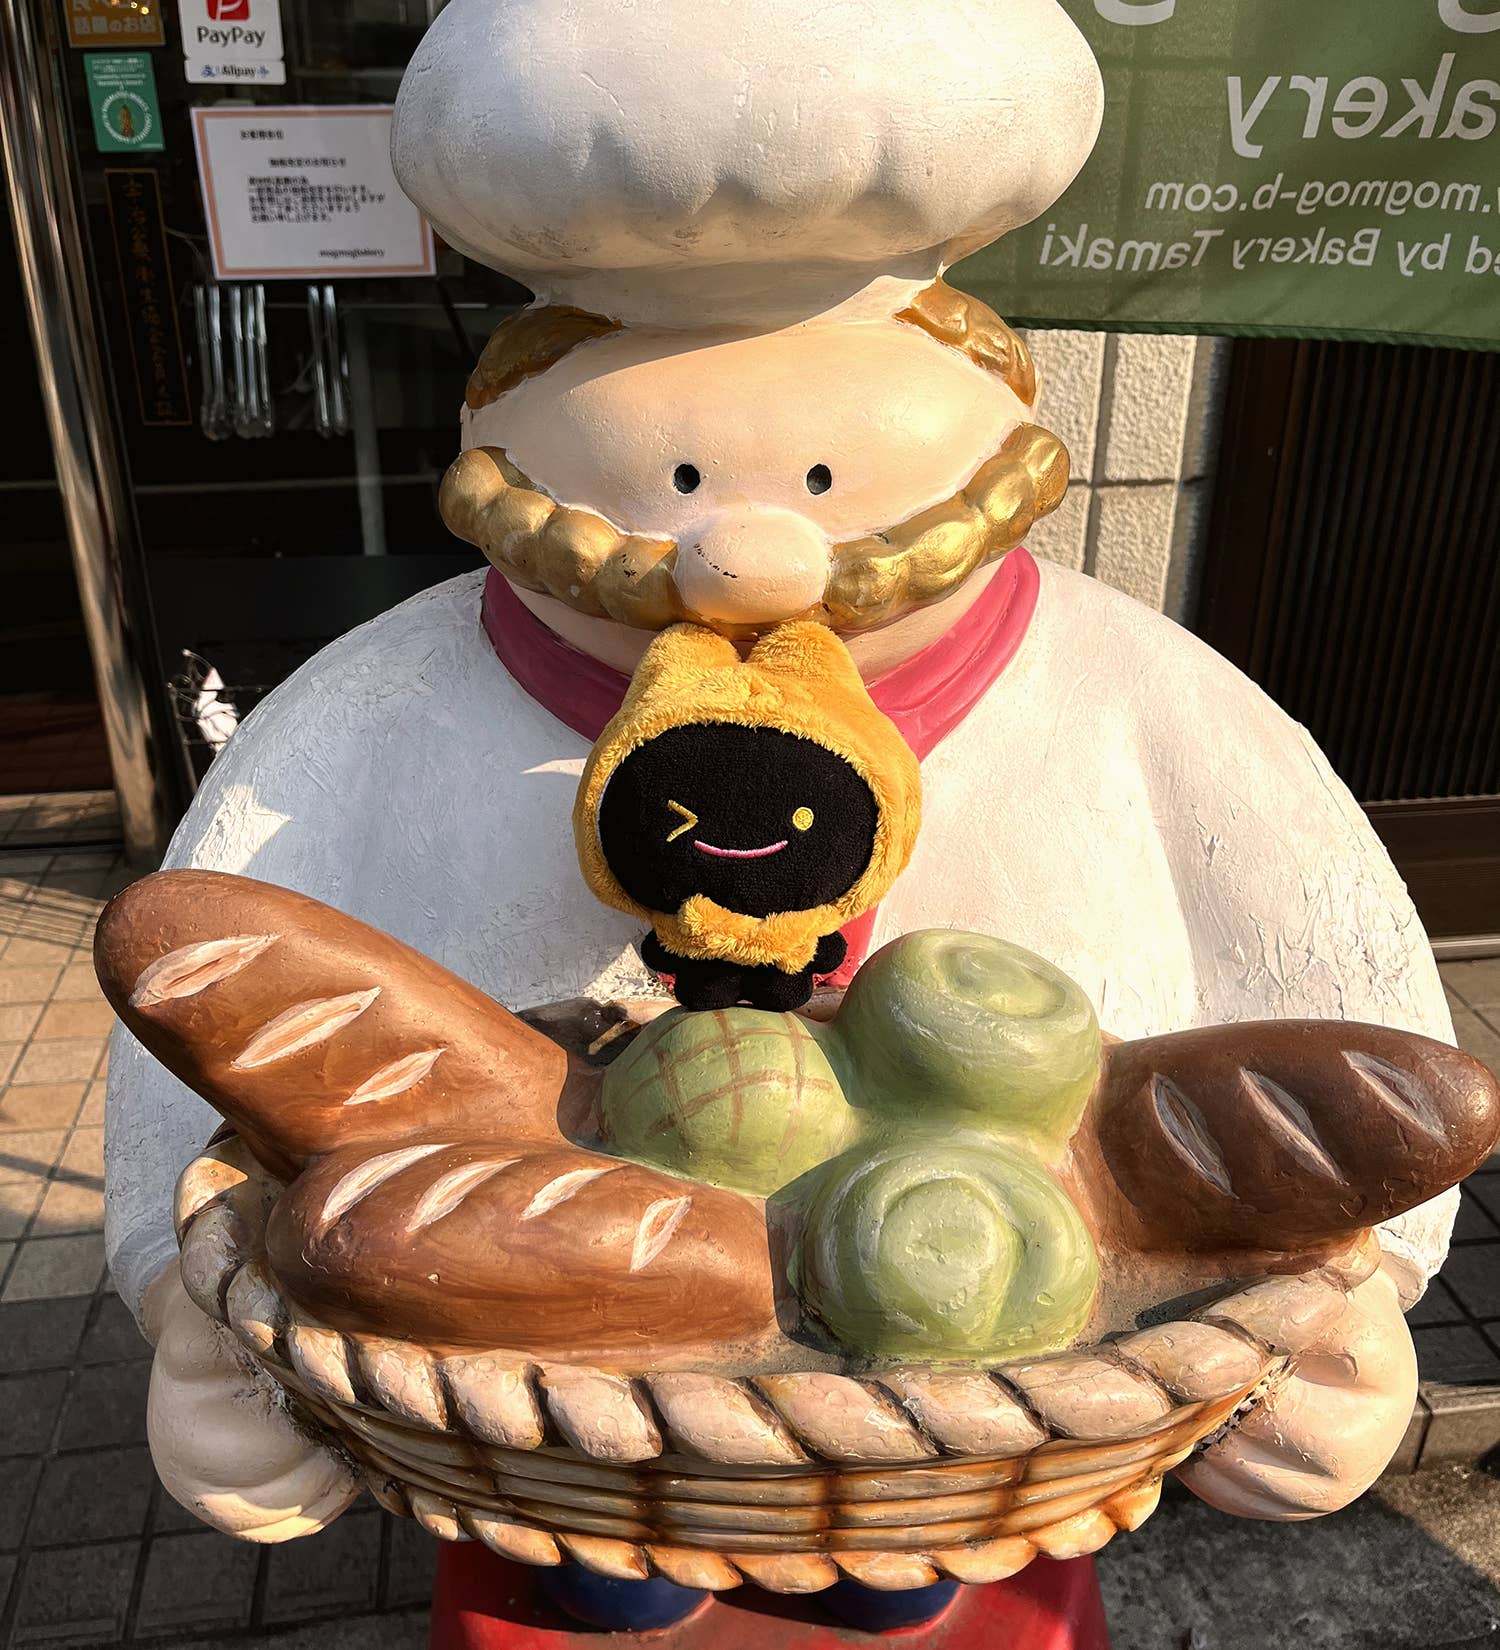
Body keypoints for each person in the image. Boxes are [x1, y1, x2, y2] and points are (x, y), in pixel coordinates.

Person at [110, 0, 1450, 1549]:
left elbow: (1329, 972)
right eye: (675, 463)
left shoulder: (1139, 687)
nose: (750, 546)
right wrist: (197, 1312)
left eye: (821, 469)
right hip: (545, 1458)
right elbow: (209, 1016)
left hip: (991, 1478)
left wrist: (1354, 1293)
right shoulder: (383, 696)